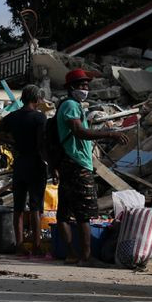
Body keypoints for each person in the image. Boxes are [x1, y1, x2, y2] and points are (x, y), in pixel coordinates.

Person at [56, 69, 128, 266]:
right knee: (84, 213)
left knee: (64, 212)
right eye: (81, 85)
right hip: (77, 163)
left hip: (68, 162)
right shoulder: (71, 105)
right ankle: (85, 257)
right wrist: (109, 134)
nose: (85, 89)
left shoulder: (69, 104)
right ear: (71, 88)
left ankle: (71, 254)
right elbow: (79, 131)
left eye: (86, 85)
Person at [0, 84, 48, 257]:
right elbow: (41, 143)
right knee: (36, 207)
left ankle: (19, 245)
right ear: (36, 100)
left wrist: (10, 140)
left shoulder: (13, 117)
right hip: (35, 162)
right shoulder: (39, 118)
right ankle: (36, 246)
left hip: (19, 163)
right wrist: (51, 163)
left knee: (18, 207)